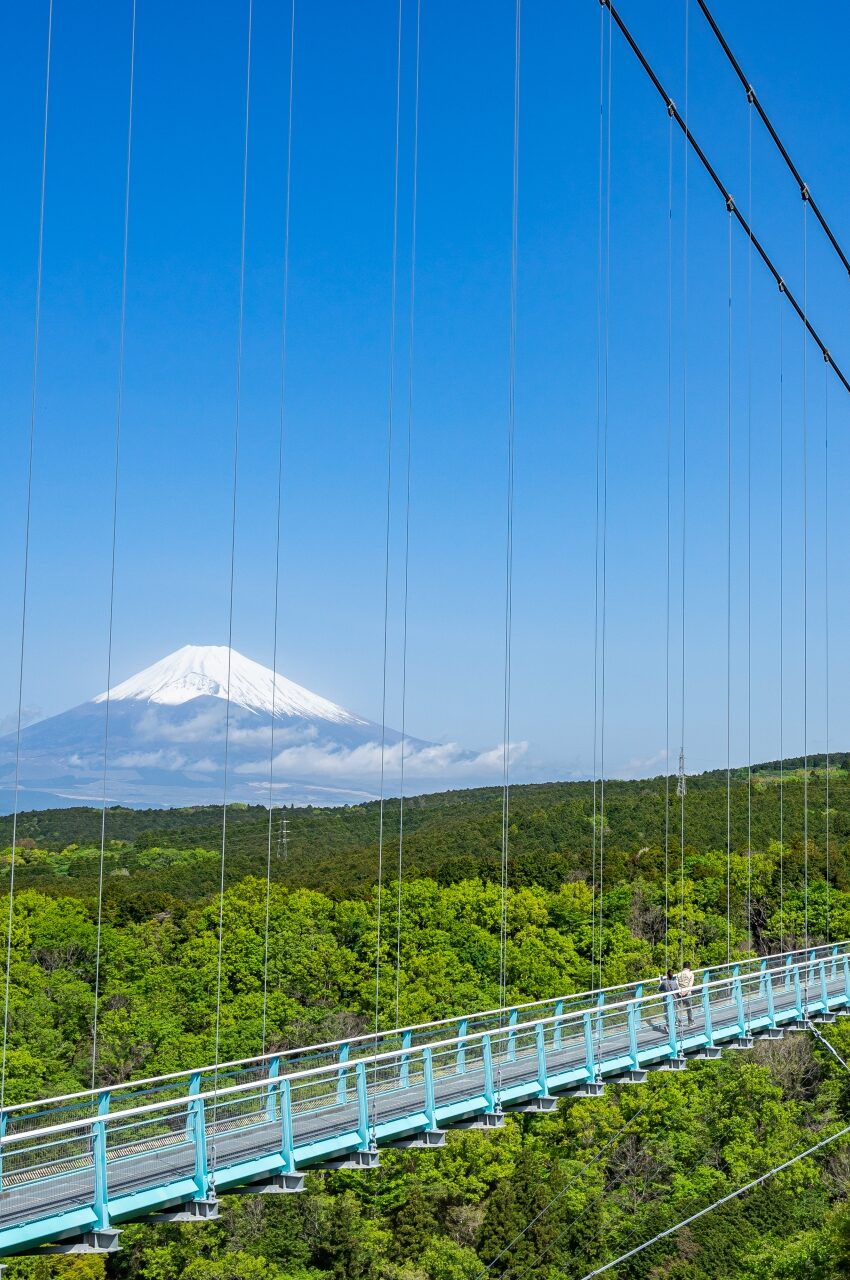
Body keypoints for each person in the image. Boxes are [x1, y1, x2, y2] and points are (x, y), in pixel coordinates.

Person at [677, 961, 695, 1027]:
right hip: (688, 993)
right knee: (689, 1008)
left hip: (680, 993)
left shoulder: (678, 974)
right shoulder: (691, 974)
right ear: (689, 967)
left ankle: (679, 1022)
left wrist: (680, 991)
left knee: (679, 1009)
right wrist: (686, 991)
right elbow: (690, 985)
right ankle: (690, 1022)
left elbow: (677, 984)